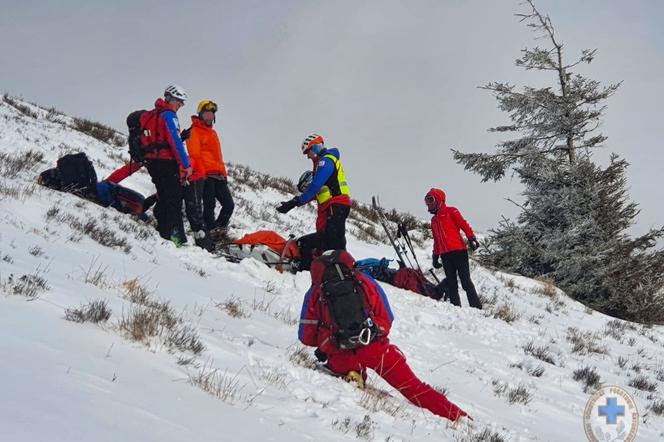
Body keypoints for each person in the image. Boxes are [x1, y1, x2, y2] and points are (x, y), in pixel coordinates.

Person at [298, 250, 470, 422]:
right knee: (415, 388)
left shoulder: (315, 292)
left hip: (341, 355)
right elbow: (387, 317)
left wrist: (331, 341)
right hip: (376, 349)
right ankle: (458, 417)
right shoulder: (365, 281)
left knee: (341, 365)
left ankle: (353, 374)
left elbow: (306, 337)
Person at [277, 134, 351, 270]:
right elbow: (316, 192)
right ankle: (339, 269)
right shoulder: (322, 164)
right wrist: (293, 203)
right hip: (335, 207)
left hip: (335, 205)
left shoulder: (326, 161)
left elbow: (315, 186)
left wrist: (295, 202)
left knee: (331, 243)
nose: (308, 156)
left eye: (308, 151)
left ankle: (311, 269)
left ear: (317, 147)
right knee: (334, 241)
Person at [142, 85, 192, 246]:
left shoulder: (154, 114)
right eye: (179, 101)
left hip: (153, 163)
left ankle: (162, 231)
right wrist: (186, 164)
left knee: (164, 196)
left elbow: (160, 139)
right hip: (166, 163)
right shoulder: (169, 115)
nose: (181, 105)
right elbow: (174, 142)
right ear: (171, 99)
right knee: (174, 199)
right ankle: (176, 238)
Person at [425, 188, 482, 309]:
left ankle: (477, 308)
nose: (429, 204)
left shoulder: (451, 211)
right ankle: (456, 308)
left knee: (465, 281)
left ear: (439, 200)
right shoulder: (434, 220)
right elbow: (437, 240)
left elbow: (463, 224)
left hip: (459, 252)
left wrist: (471, 237)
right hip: (445, 255)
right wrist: (435, 256)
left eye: (431, 200)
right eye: (427, 201)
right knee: (451, 283)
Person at [186, 100, 234, 239]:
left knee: (229, 205)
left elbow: (218, 156)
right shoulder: (194, 131)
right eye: (206, 114)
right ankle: (210, 233)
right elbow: (195, 155)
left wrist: (224, 174)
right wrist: (203, 174)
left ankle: (218, 229)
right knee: (209, 206)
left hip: (219, 175)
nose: (209, 117)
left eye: (211, 114)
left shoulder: (213, 133)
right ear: (200, 114)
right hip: (205, 175)